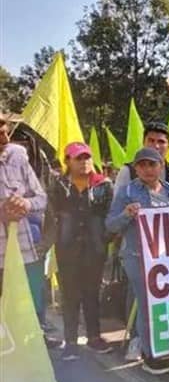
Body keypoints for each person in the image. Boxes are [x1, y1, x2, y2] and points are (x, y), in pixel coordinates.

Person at [106, 148, 169, 374]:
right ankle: (151, 354)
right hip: (137, 257)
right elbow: (110, 224)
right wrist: (126, 215)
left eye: (152, 164)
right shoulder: (127, 191)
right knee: (148, 305)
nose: (148, 169)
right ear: (136, 168)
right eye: (142, 165)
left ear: (161, 166)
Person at [48, 142, 113, 360]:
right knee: (70, 296)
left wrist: (106, 239)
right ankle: (71, 341)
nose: (84, 162)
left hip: (95, 250)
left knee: (92, 294)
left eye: (87, 157)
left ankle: (94, 337)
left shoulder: (104, 185)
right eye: (79, 158)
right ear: (67, 161)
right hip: (67, 250)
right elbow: (50, 214)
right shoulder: (58, 185)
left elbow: (110, 217)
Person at [0, 113, 59, 348]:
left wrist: (25, 205)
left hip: (25, 251)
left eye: (5, 131)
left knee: (30, 302)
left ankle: (35, 341)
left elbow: (41, 198)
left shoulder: (18, 156)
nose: (5, 138)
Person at [113, 122, 169, 201]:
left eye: (161, 142)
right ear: (143, 143)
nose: (156, 146)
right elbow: (117, 205)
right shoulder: (128, 171)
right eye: (151, 141)